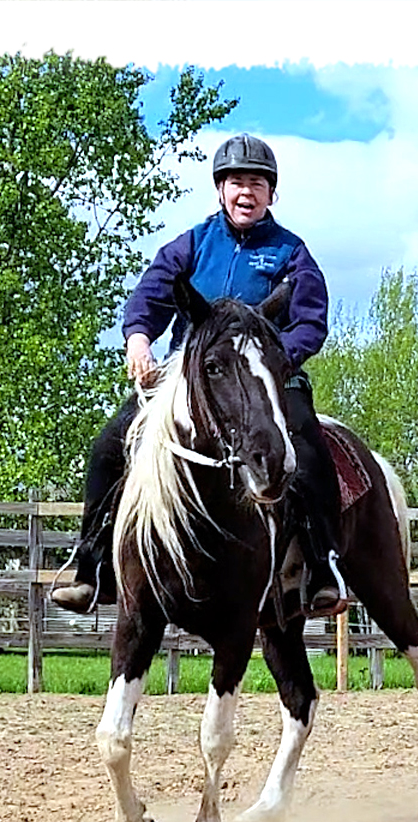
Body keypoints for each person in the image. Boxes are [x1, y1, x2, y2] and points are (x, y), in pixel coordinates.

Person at [51, 133, 346, 619]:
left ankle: (323, 566)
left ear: (272, 193)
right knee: (108, 446)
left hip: (269, 380)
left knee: (310, 451)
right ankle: (91, 566)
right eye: (235, 182)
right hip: (190, 382)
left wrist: (271, 363)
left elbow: (311, 324)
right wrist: (139, 339)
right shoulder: (190, 245)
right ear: (219, 190)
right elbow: (149, 298)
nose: (245, 192)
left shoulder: (292, 253)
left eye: (256, 183)